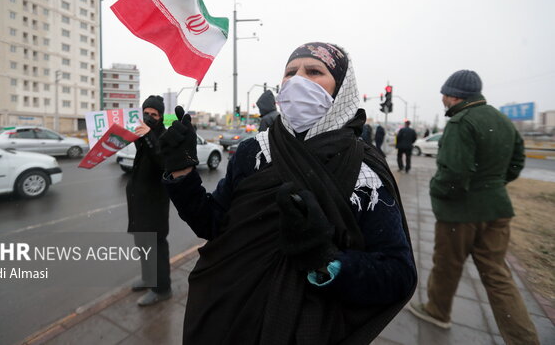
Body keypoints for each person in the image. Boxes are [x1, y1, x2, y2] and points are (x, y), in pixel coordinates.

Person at [160, 42, 416, 344]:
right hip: (225, 313)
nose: (297, 80)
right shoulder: (253, 150)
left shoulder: (364, 173)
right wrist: (182, 172)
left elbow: (398, 275)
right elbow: (212, 224)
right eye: (290, 72)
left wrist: (325, 260)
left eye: (314, 71)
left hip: (303, 329)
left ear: (342, 89)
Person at [409, 70, 539, 344]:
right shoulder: (503, 121)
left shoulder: (461, 122)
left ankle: (437, 310)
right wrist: (492, 186)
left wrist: (437, 190)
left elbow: (454, 174)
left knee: (447, 264)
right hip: (498, 210)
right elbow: (516, 163)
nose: (443, 99)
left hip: (461, 214)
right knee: (497, 275)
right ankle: (524, 339)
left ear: (455, 95)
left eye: (445, 94)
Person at [126, 95, 173, 306]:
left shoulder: (163, 135)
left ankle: (162, 288)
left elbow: (163, 161)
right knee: (142, 244)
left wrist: (149, 135)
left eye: (154, 114)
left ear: (161, 116)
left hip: (155, 203)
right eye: (146, 113)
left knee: (156, 246)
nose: (149, 117)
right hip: (139, 201)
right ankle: (147, 278)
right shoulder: (144, 135)